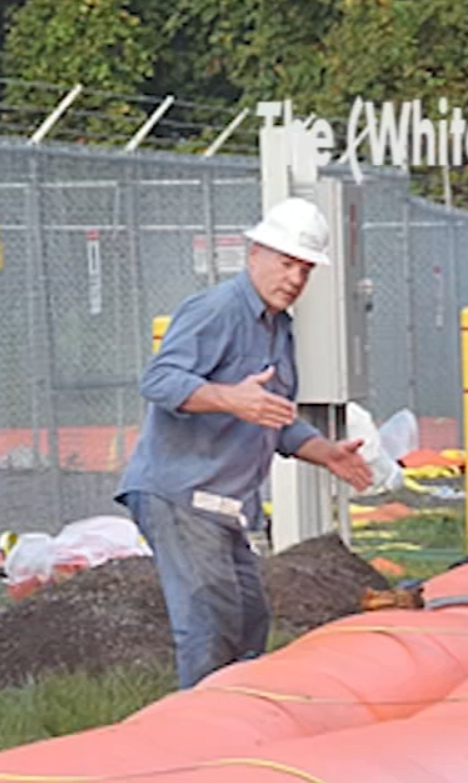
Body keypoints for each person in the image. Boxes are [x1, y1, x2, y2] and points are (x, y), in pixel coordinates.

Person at [116, 196, 374, 689]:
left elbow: (273, 417)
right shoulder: (217, 310)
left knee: (249, 623)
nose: (295, 279)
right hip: (179, 494)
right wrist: (229, 399)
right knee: (210, 628)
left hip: (223, 505)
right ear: (254, 253)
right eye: (286, 263)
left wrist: (325, 452)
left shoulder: (279, 327)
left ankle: (238, 731)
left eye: (305, 269)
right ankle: (202, 743)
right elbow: (160, 380)